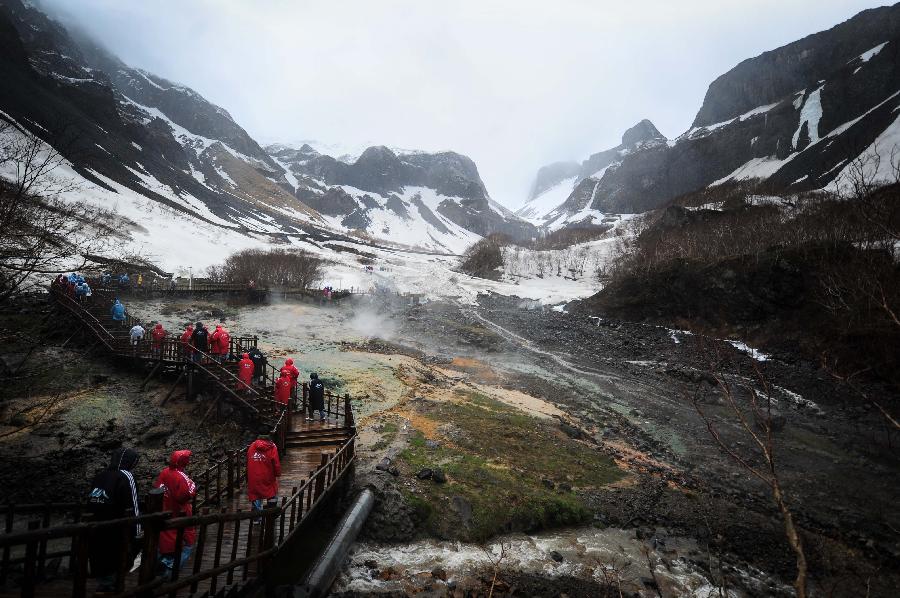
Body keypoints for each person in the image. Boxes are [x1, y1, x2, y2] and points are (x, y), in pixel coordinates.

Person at [87, 448, 142, 593]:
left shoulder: (100, 476)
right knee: (117, 558)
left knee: (100, 556)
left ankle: (104, 584)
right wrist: (137, 531)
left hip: (95, 524)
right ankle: (111, 586)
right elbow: (133, 505)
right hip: (117, 527)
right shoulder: (126, 476)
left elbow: (90, 501)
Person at [153, 450, 197, 577]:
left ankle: (162, 563)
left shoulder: (164, 472)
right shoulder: (180, 476)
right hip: (179, 512)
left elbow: (158, 489)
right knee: (188, 544)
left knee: (166, 542)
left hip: (165, 511)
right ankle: (169, 567)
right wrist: (192, 485)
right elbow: (186, 494)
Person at [246, 430, 281, 522]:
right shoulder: (272, 447)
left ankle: (256, 518)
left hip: (253, 476)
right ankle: (271, 514)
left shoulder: (252, 446)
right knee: (272, 492)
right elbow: (276, 463)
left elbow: (248, 460)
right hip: (267, 475)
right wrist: (277, 473)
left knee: (255, 495)